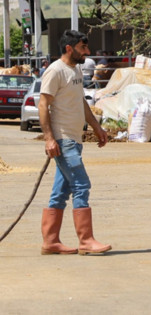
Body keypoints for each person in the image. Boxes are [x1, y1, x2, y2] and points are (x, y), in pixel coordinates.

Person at [40, 29, 111, 255]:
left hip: (75, 139)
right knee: (81, 184)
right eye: (83, 48)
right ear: (69, 48)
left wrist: (97, 127)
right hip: (63, 140)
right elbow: (43, 105)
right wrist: (50, 139)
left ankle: (50, 242)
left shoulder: (77, 70)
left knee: (61, 192)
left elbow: (81, 102)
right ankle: (86, 240)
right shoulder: (55, 71)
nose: (87, 52)